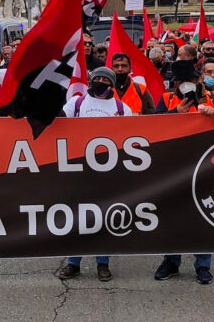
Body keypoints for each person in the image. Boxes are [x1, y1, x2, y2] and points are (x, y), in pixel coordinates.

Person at [152, 61, 214, 285]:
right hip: (173, 167)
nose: (187, 85)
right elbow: (151, 127)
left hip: (206, 167)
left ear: (198, 80)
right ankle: (171, 261)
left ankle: (203, 265)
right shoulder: (166, 99)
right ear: (175, 83)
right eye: (181, 82)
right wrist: (174, 113)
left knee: (202, 217)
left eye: (191, 81)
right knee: (173, 217)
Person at [55, 67, 130, 282]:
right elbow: (59, 122)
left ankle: (103, 263)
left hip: (108, 171)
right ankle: (73, 263)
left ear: (112, 84)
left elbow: (133, 135)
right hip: (79, 169)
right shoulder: (77, 103)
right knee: (79, 216)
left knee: (103, 217)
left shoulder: (121, 107)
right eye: (96, 78)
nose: (100, 82)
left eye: (105, 80)